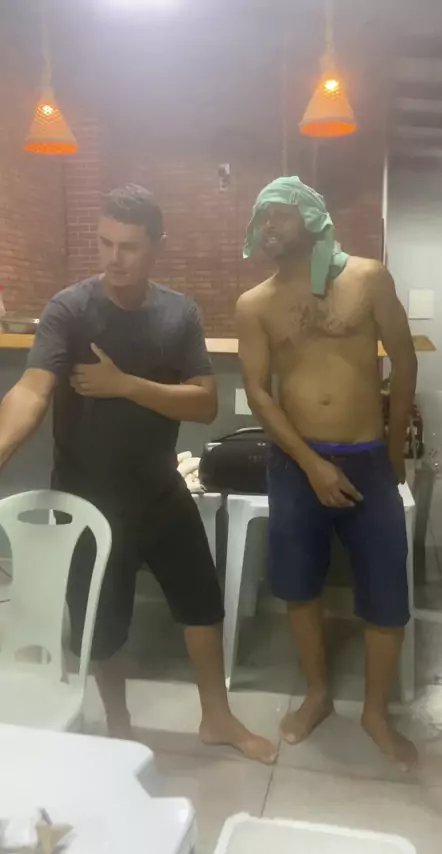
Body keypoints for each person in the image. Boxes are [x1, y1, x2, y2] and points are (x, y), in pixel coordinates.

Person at [0, 184, 276, 764]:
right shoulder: (70, 310)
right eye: (104, 243)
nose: (113, 257)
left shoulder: (178, 313)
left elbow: (204, 403)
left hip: (159, 489)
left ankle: (217, 718)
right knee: (102, 628)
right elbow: (32, 390)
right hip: (90, 500)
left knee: (202, 604)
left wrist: (124, 385)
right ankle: (120, 726)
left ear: (157, 247)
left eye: (128, 246)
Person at [236, 176, 418, 771]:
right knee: (298, 585)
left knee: (386, 590)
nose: (268, 226)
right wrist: (310, 463)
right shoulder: (255, 303)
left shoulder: (368, 278)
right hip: (295, 462)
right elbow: (259, 392)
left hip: (367, 457)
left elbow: (405, 360)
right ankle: (317, 694)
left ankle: (375, 712)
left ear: (312, 218)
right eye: (262, 217)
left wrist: (395, 448)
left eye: (280, 214)